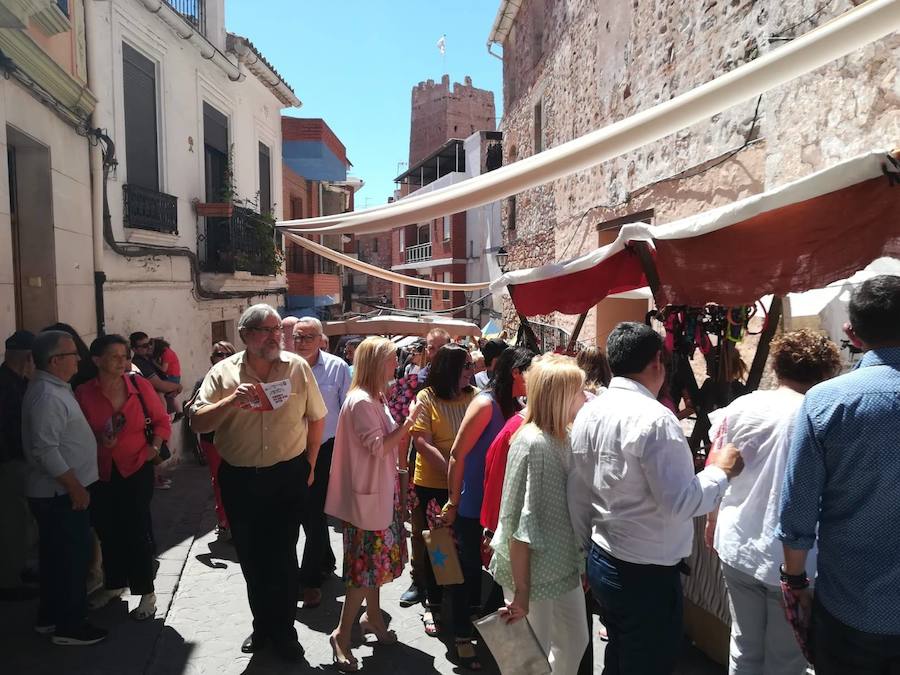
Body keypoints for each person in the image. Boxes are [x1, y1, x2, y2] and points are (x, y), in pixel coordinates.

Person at [569, 321, 744, 674]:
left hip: (606, 558)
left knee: (621, 654)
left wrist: (584, 549)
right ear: (656, 364)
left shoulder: (590, 411)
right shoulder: (656, 420)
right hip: (643, 574)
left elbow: (578, 491)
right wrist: (721, 472)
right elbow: (681, 502)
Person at [189, 304, 327, 662]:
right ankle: (262, 625)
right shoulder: (223, 373)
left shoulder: (296, 368)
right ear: (246, 335)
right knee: (252, 559)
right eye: (267, 330)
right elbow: (199, 423)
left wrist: (310, 464)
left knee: (282, 558)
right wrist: (231, 401)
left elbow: (317, 418)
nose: (275, 336)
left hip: (287, 475)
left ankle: (285, 632)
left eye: (277, 329)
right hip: (241, 480)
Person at [778, 275, 900, 674]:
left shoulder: (827, 402)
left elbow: (797, 512)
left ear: (852, 332)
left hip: (850, 610)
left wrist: (794, 583)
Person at [704, 329, 841, 675]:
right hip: (792, 561)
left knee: (744, 648)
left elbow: (719, 468)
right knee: (785, 661)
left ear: (779, 368)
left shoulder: (741, 407)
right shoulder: (821, 416)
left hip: (737, 545)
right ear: (825, 372)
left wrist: (711, 521)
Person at [491, 354, 589, 674]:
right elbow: (520, 525)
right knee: (531, 660)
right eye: (578, 391)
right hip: (532, 574)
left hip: (562, 567)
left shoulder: (566, 436)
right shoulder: (532, 442)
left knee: (576, 641)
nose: (585, 397)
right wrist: (521, 590)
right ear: (559, 396)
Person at [325, 337, 419, 672]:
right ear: (376, 363)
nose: (397, 365)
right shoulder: (362, 401)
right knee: (364, 571)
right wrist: (408, 423)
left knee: (373, 567)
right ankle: (341, 633)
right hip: (368, 499)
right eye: (392, 360)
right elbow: (379, 447)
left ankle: (374, 619)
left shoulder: (373, 398)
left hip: (379, 494)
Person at [75, 334, 170, 622]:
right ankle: (114, 584)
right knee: (106, 530)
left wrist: (153, 449)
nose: (122, 362)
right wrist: (97, 439)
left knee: (136, 530)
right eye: (114, 356)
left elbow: (162, 422)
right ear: (96, 360)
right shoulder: (83, 393)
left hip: (136, 467)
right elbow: (76, 433)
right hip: (100, 471)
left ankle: (146, 593)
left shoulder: (139, 386)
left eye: (124, 356)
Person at [22, 331, 106, 645]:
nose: (79, 359)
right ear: (56, 360)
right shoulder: (47, 395)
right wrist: (74, 487)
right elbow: (46, 449)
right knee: (71, 561)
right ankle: (71, 626)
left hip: (60, 492)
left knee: (57, 559)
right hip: (60, 494)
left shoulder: (55, 388)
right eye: (73, 354)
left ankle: (51, 617)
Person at [443, 347, 534, 623]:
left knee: (497, 573)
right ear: (517, 373)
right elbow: (457, 454)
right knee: (467, 570)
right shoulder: (485, 405)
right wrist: (453, 502)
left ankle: (485, 628)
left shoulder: (519, 407)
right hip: (473, 504)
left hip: (499, 508)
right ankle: (461, 632)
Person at [409, 344, 479, 665]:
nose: (471, 370)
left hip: (466, 489)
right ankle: (434, 604)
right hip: (434, 486)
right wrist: (453, 473)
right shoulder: (426, 399)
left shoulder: (475, 397)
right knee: (439, 551)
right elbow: (421, 442)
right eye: (465, 365)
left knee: (464, 555)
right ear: (450, 368)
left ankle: (460, 609)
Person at [292, 317, 351, 608]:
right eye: (296, 337)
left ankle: (310, 580)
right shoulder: (284, 368)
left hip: (326, 449)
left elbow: (347, 412)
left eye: (307, 337)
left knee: (313, 514)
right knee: (302, 513)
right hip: (289, 450)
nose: (301, 342)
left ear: (321, 340)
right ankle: (325, 559)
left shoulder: (337, 368)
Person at [400, 327, 451, 608]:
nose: (433, 354)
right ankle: (418, 580)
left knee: (443, 530)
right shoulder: (416, 381)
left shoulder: (462, 385)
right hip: (420, 463)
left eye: (439, 348)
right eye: (430, 348)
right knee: (420, 526)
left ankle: (441, 585)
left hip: (451, 470)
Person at [0, 330, 38, 601]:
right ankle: (8, 581)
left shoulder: (15, 381)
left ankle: (20, 568)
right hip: (10, 461)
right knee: (13, 522)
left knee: (22, 521)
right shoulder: (7, 384)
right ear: (28, 356)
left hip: (16, 459)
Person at [187, 341, 236, 539]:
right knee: (219, 480)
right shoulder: (204, 381)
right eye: (218, 354)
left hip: (236, 436)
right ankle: (224, 521)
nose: (222, 358)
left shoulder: (241, 378)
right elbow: (193, 409)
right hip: (212, 438)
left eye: (226, 354)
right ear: (212, 358)